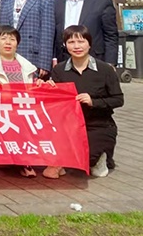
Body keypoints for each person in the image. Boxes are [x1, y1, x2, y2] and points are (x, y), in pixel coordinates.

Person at [45, 25, 124, 179]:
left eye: (81, 41)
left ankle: (101, 158)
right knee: (67, 157)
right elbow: (55, 103)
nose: (76, 46)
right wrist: (49, 89)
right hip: (69, 127)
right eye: (71, 42)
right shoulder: (59, 70)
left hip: (98, 124)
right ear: (65, 45)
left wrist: (93, 102)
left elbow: (118, 99)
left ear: (89, 44)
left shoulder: (105, 70)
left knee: (87, 157)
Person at [0, 25, 40, 178]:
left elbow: (35, 89)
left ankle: (24, 161)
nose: (8, 42)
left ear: (17, 43)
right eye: (3, 38)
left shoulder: (29, 68)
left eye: (12, 39)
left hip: (24, 109)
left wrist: (43, 84)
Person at [53, 0, 119, 68]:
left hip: (93, 58)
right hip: (62, 59)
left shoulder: (102, 3)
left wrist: (110, 63)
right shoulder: (54, 2)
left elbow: (111, 35)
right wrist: (53, 58)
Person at [0, 0, 56, 76]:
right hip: (6, 53)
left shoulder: (44, 0)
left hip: (31, 55)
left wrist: (44, 63)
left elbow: (47, 34)